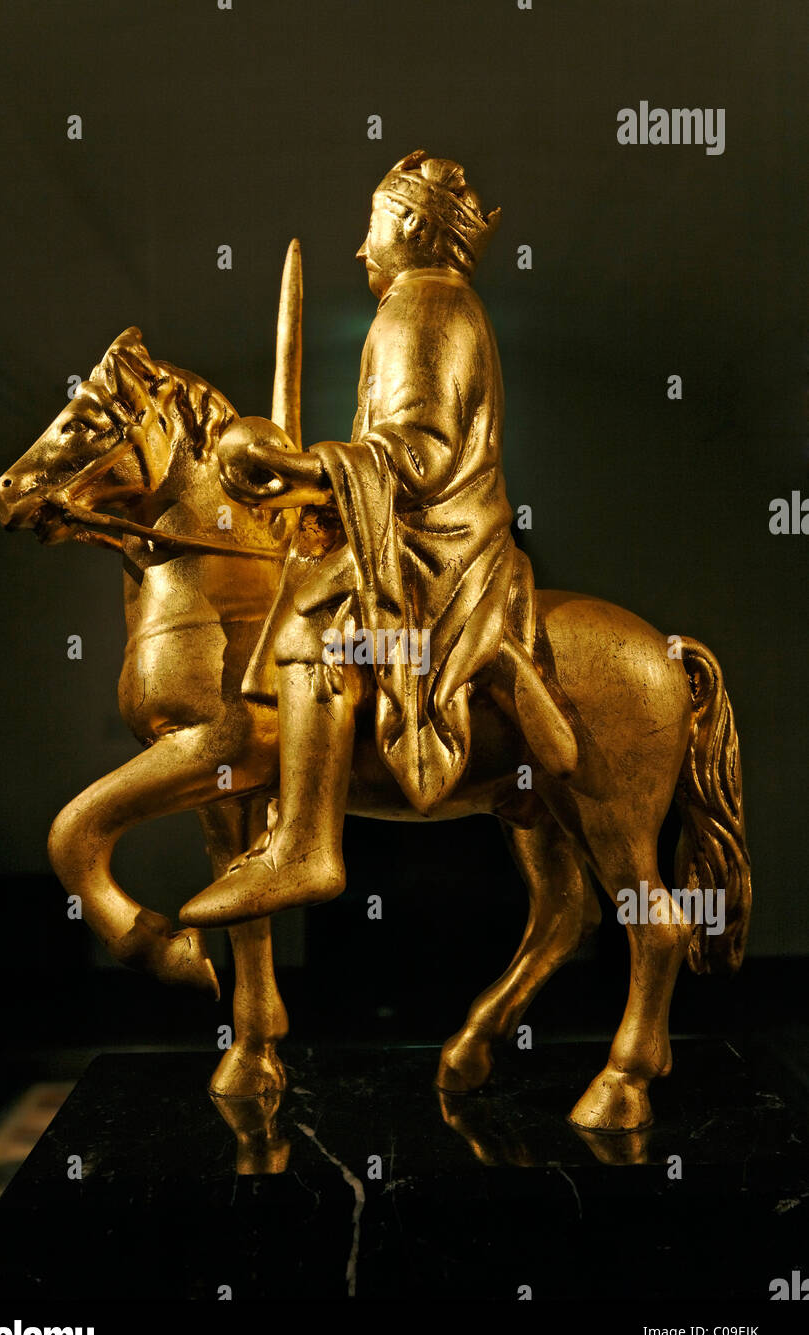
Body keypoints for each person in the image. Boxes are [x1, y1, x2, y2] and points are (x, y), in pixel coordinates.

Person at [181, 150, 576, 928]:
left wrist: (298, 467)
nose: (363, 249)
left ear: (410, 225)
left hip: (436, 546)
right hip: (425, 527)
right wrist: (313, 490)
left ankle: (303, 844)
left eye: (372, 228)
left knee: (310, 623)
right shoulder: (434, 304)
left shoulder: (421, 306)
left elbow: (418, 453)